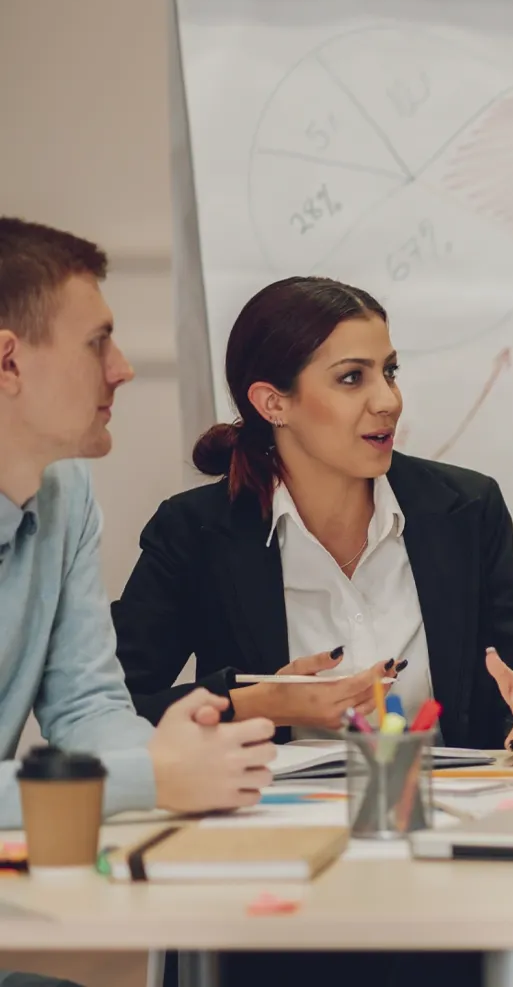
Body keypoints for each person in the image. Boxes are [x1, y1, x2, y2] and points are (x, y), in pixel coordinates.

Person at [113, 276, 513, 762]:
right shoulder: (194, 533)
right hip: (274, 826)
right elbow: (106, 709)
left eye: (389, 371)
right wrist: (258, 703)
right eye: (351, 378)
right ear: (273, 403)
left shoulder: (467, 510)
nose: (388, 400)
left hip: (448, 814)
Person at [0, 217, 276, 824]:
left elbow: (86, 706)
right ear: (9, 363)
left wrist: (177, 753)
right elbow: (139, 777)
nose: (123, 368)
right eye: (97, 341)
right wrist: (149, 775)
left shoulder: (64, 490)